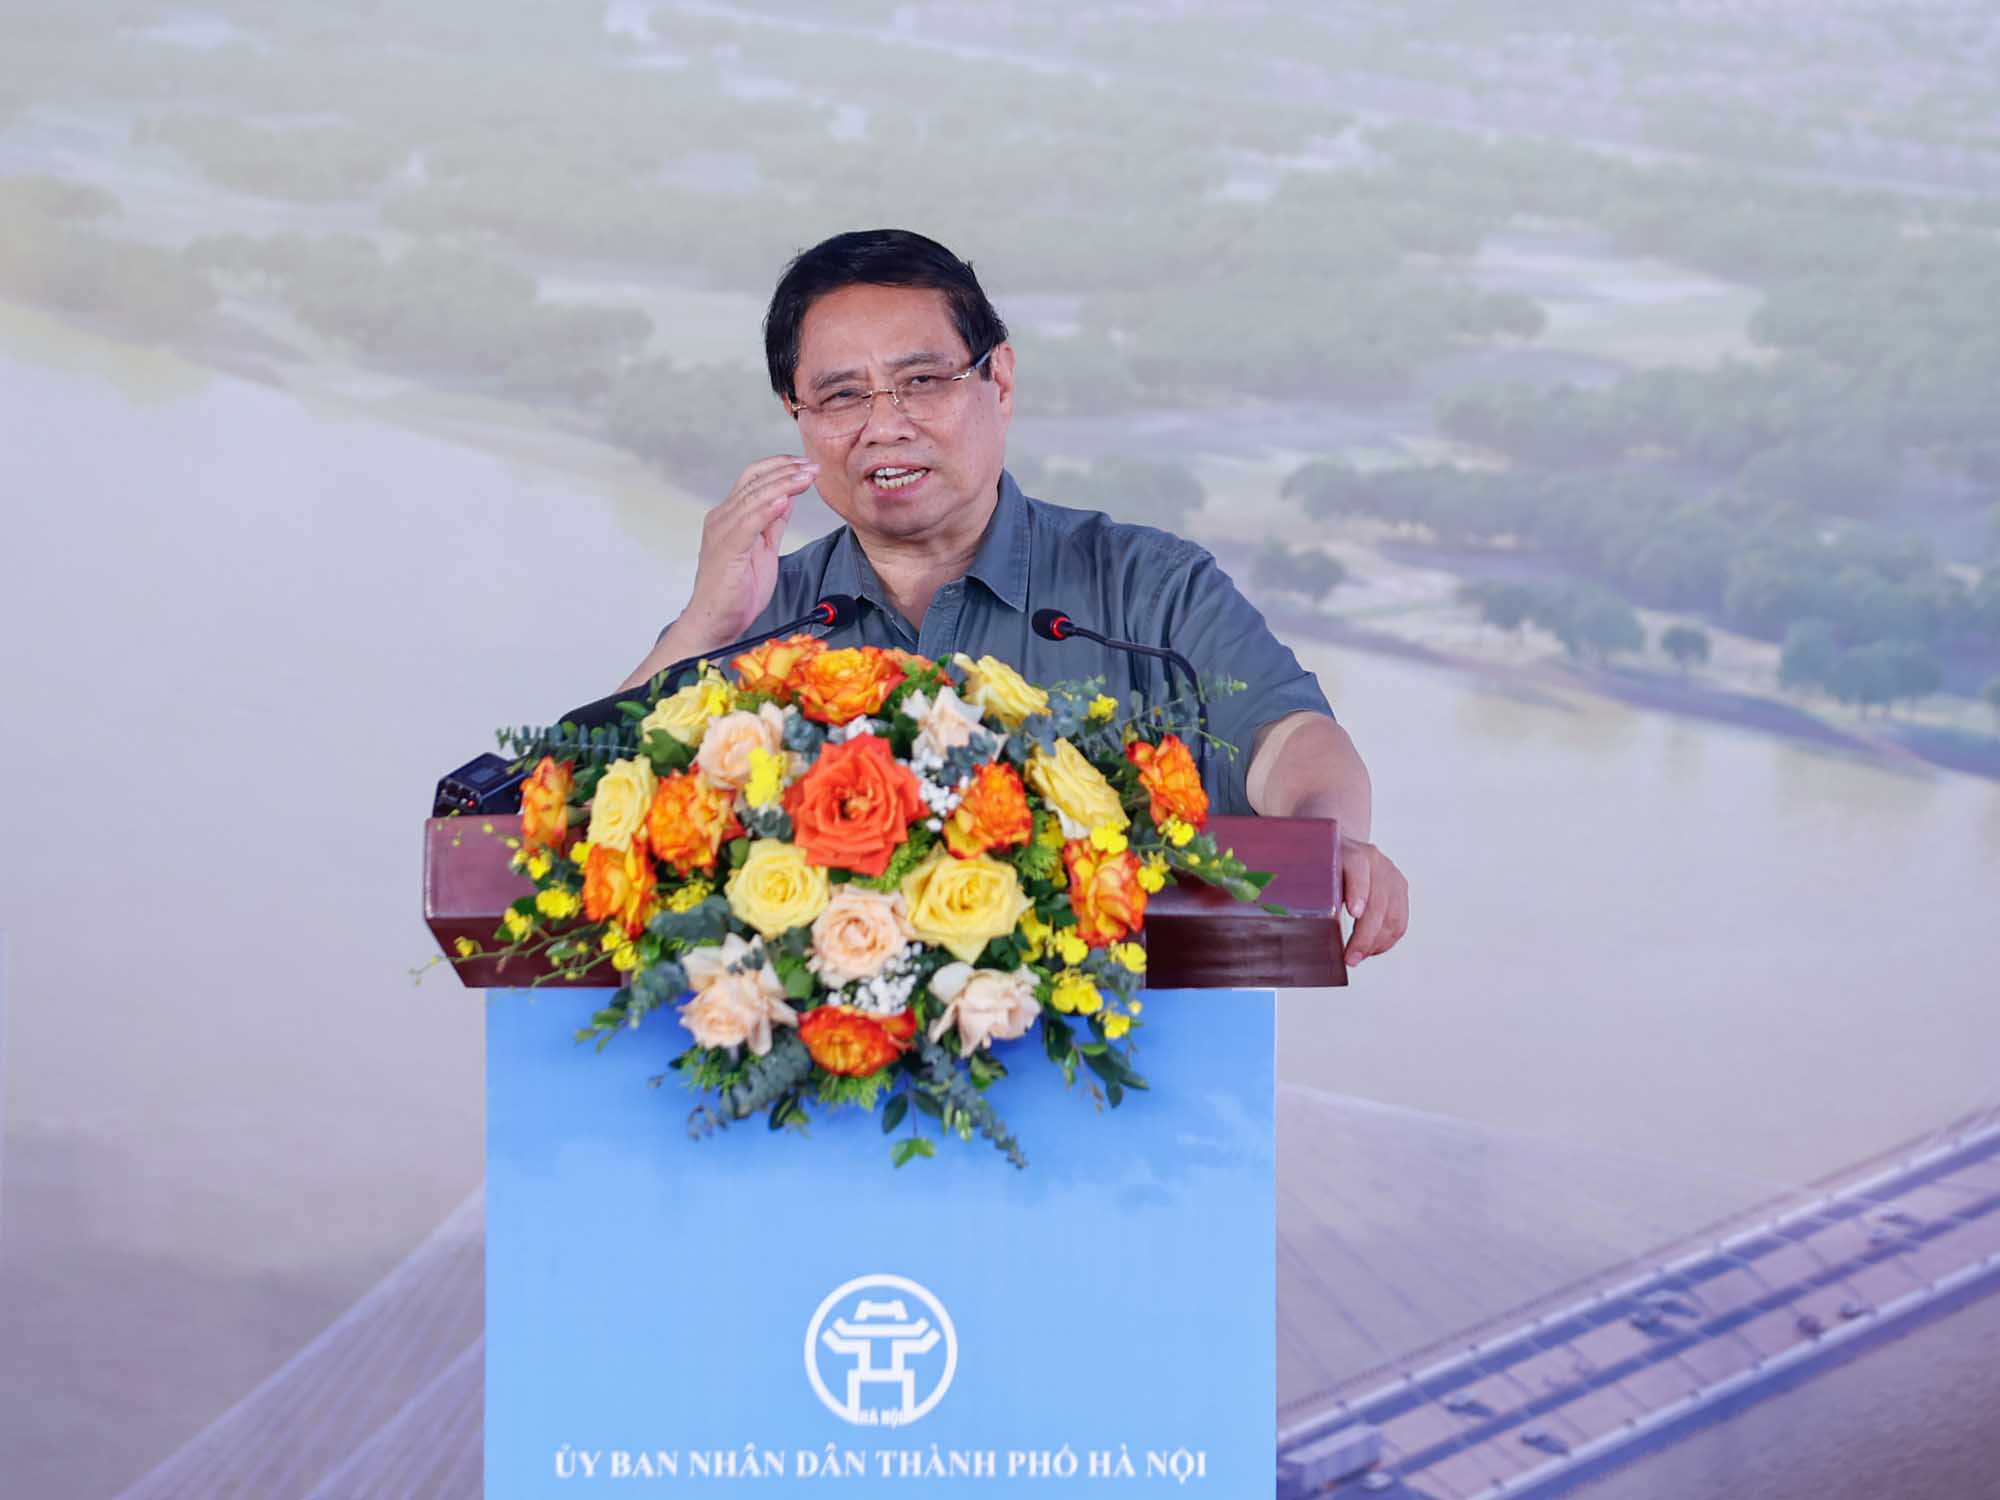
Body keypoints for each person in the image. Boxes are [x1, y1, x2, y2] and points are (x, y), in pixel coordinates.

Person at [622, 229, 1408, 968]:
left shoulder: (1147, 588)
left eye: (921, 382)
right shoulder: (754, 615)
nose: (884, 426)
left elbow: (1288, 737)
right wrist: (705, 623)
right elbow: (584, 806)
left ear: (998, 379)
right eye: (842, 396)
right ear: (796, 415)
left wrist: (1327, 841)